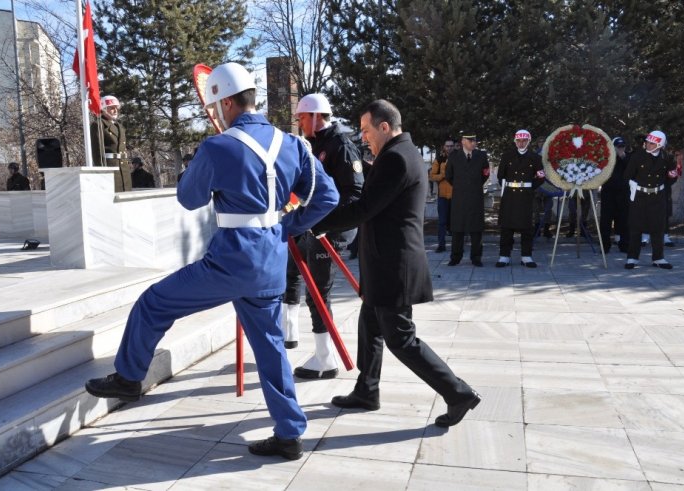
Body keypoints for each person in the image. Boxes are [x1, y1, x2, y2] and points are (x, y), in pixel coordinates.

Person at [85, 62, 340, 460]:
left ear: (224, 103)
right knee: (271, 348)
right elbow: (327, 197)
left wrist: (208, 158)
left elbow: (188, 198)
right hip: (271, 263)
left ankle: (129, 378)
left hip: (230, 263)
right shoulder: (292, 144)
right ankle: (290, 431)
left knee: (154, 303)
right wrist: (288, 226)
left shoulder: (218, 146)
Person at [312, 99, 480, 428]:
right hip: (384, 262)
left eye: (366, 130)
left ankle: (457, 392)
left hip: (394, 265)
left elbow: (364, 208)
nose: (363, 137)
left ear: (384, 127)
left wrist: (318, 223)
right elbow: (377, 190)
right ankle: (367, 389)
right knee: (369, 326)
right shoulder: (399, 154)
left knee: (401, 338)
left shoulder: (397, 159)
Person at [282, 93, 364, 380]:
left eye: (302, 118)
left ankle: (325, 358)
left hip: (333, 227)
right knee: (290, 271)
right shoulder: (312, 145)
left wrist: (326, 223)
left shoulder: (341, 146)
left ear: (316, 116)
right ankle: (289, 333)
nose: (300, 123)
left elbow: (354, 193)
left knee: (318, 291)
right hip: (313, 223)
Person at [624, 130, 678, 269]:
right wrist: (632, 187)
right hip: (639, 196)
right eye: (647, 142)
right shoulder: (638, 156)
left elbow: (672, 176)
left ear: (659, 145)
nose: (648, 144)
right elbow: (628, 175)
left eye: (651, 143)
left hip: (657, 197)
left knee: (658, 228)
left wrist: (661, 188)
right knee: (635, 227)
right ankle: (632, 258)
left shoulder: (668, 158)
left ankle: (658, 258)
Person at [496, 129, 545, 268]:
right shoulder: (507, 156)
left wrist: (530, 188)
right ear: (515, 141)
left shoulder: (535, 158)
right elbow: (501, 176)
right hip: (510, 195)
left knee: (526, 227)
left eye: (524, 140)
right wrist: (507, 188)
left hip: (525, 196)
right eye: (518, 140)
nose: (521, 143)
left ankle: (526, 256)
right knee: (506, 227)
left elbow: (541, 177)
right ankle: (504, 256)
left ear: (528, 142)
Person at [446, 132, 490, 266]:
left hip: (476, 196)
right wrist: (461, 186)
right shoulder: (454, 156)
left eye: (475, 140)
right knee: (457, 228)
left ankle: (476, 257)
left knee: (476, 229)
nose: (474, 143)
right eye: (471, 141)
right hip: (459, 197)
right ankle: (455, 257)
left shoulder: (481, 156)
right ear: (463, 141)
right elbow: (449, 176)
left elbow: (485, 174)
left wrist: (474, 185)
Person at [91, 95, 131, 190]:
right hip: (110, 169)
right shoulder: (98, 124)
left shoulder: (119, 126)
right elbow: (97, 152)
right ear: (104, 108)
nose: (115, 110)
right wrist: (102, 173)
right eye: (112, 108)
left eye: (116, 108)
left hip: (123, 169)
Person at [599, 137, 631, 253]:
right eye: (618, 147)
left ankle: (624, 245)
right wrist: (614, 156)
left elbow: (631, 169)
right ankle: (605, 246)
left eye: (622, 146)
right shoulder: (607, 157)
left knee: (624, 219)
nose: (621, 149)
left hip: (623, 193)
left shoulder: (628, 157)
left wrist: (622, 157)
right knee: (606, 220)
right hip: (608, 192)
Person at [429, 140, 454, 253]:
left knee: (456, 221)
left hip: (456, 195)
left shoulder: (459, 158)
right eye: (447, 146)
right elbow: (432, 176)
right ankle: (441, 245)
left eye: (451, 146)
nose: (449, 148)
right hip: (443, 195)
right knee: (442, 221)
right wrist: (444, 175)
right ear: (444, 147)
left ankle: (457, 246)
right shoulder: (439, 159)